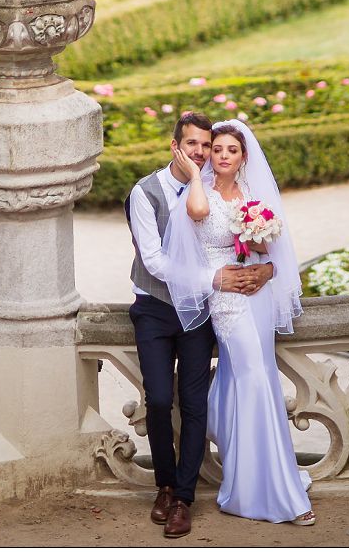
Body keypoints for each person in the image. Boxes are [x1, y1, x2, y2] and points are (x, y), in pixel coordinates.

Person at [125, 111, 275, 540]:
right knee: (158, 399)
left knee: (194, 403)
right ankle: (164, 485)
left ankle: (183, 499)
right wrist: (214, 278)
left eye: (206, 145)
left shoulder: (215, 187)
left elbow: (241, 242)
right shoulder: (145, 192)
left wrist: (266, 270)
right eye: (192, 143)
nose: (201, 152)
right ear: (176, 145)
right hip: (156, 309)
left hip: (201, 312)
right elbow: (154, 261)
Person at [164, 120, 315, 527]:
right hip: (226, 296)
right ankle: (272, 493)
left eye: (232, 150)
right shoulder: (201, 192)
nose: (223, 156)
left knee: (253, 380)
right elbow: (197, 213)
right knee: (254, 381)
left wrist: (262, 254)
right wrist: (194, 172)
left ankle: (255, 479)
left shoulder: (252, 194)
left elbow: (267, 250)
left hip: (255, 294)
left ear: (244, 156)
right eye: (217, 149)